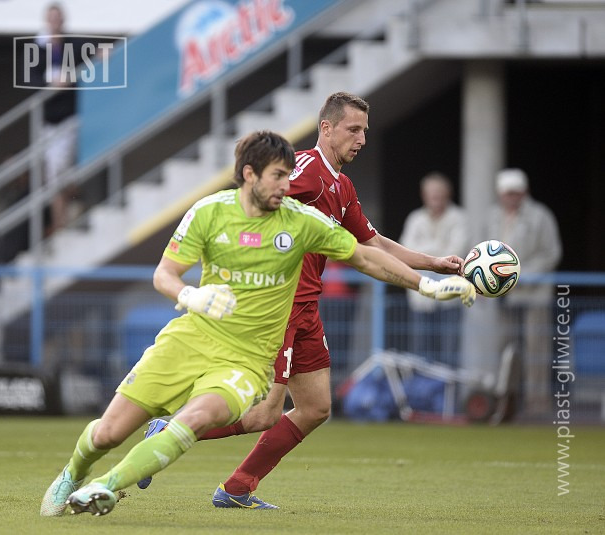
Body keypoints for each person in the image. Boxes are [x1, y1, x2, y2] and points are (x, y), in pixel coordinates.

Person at [40, 130, 475, 517]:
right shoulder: (209, 211)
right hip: (190, 338)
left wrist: (428, 284)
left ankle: (111, 485)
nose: (288, 185)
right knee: (107, 434)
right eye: (280, 177)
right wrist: (191, 295)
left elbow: (366, 254)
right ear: (249, 175)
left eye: (288, 176)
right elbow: (164, 274)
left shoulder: (303, 219)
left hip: (247, 358)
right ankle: (74, 474)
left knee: (232, 415)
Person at [486, 168, 562, 416]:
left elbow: (551, 253)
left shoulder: (541, 216)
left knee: (536, 347)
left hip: (533, 293)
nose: (512, 197)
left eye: (516, 193)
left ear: (524, 192)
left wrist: (520, 274)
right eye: (507, 193)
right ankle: (506, 400)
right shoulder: (493, 216)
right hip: (503, 293)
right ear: (500, 194)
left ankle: (536, 402)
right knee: (504, 347)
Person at [400, 172, 469, 367]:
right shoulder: (415, 219)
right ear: (424, 194)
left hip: (451, 299)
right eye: (431, 192)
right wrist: (438, 251)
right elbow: (405, 250)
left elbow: (457, 251)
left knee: (449, 354)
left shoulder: (459, 218)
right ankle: (423, 387)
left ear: (448, 193)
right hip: (421, 297)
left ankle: (448, 388)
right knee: (420, 353)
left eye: (439, 191)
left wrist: (424, 252)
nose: (435, 196)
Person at [31, 3, 84, 234]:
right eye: (51, 18)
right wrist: (51, 85)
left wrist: (101, 52)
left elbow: (92, 54)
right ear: (47, 21)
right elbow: (31, 79)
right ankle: (60, 223)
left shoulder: (73, 44)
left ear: (62, 20)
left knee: (62, 170)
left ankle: (69, 213)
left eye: (58, 17)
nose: (55, 22)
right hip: (48, 120)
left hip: (69, 117)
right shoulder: (39, 48)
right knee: (53, 176)